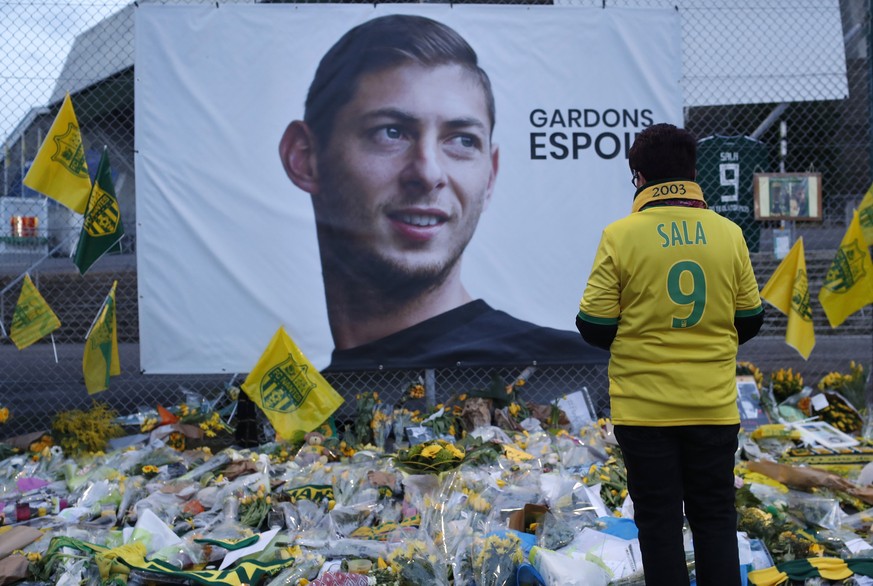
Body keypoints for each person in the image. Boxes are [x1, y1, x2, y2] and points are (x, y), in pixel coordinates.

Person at [280, 14, 607, 371]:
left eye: (462, 140)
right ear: (305, 158)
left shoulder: (576, 376)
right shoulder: (288, 411)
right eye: (390, 133)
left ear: (490, 176)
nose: (429, 172)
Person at [575, 123, 764, 585]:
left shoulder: (621, 235)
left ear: (638, 176)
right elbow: (751, 320)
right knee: (715, 519)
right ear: (692, 171)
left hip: (645, 410)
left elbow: (594, 324)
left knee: (658, 524)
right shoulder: (728, 233)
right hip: (711, 406)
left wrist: (641, 333)